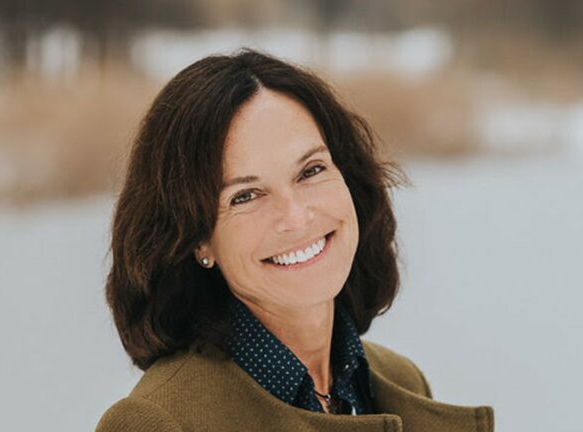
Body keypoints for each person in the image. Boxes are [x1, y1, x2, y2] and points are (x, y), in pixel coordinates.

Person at [96, 48, 493, 431]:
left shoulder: (402, 381)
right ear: (198, 240)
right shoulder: (159, 423)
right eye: (245, 196)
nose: (296, 217)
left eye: (311, 170)